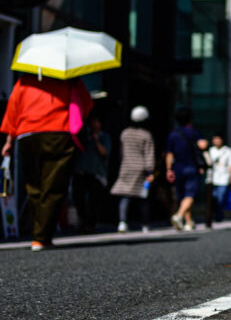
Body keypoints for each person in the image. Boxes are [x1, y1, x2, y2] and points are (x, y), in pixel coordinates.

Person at [0, 75, 92, 251]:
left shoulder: (24, 81)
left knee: (33, 185)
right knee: (54, 186)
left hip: (28, 133)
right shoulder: (69, 78)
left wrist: (9, 141)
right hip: (59, 132)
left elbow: (13, 110)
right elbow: (85, 105)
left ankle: (37, 233)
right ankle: (42, 237)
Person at [110, 106, 155, 233]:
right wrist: (150, 171)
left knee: (125, 196)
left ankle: (122, 222)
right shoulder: (146, 135)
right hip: (141, 168)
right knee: (143, 197)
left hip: (126, 166)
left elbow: (121, 152)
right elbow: (149, 153)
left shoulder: (125, 133)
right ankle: (145, 224)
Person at [165, 106, 205, 231]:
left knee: (183, 196)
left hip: (177, 168)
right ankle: (179, 216)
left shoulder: (173, 134)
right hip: (192, 167)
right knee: (190, 195)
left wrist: (169, 169)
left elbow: (169, 154)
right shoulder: (194, 132)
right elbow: (202, 145)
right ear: (190, 119)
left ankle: (188, 222)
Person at [72, 115, 111, 233]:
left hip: (96, 172)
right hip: (81, 170)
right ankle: (82, 221)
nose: (95, 125)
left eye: (97, 122)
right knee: (78, 197)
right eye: (93, 122)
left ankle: (91, 224)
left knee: (94, 200)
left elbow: (105, 153)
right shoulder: (82, 136)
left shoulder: (104, 137)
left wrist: (96, 140)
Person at [207, 134, 231, 223]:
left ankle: (218, 216)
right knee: (214, 198)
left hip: (224, 178)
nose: (216, 141)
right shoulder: (210, 150)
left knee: (221, 198)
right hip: (211, 178)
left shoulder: (228, 151)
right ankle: (216, 214)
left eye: (218, 139)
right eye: (215, 139)